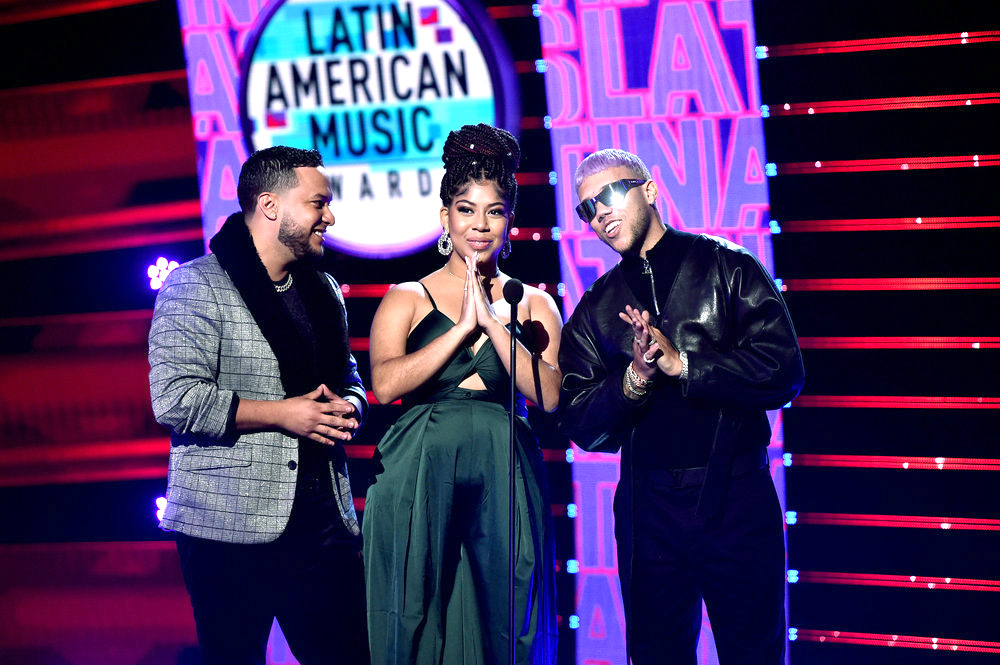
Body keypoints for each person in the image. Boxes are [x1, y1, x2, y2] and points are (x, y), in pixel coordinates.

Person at [558, 149, 805, 664]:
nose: (599, 213)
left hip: (734, 497)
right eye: (586, 209)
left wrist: (686, 366)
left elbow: (784, 371)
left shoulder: (729, 267)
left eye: (608, 195)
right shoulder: (596, 307)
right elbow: (581, 422)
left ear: (648, 189)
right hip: (646, 511)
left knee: (753, 652)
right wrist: (635, 378)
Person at [148, 146, 370, 665]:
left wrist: (350, 406)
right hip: (225, 528)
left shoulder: (323, 289)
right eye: (318, 203)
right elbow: (175, 399)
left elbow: (348, 376)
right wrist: (283, 413)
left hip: (320, 522)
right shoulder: (195, 284)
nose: (330, 217)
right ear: (270, 206)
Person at [362, 124, 560, 664]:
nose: (480, 224)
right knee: (414, 607)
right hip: (418, 462)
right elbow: (384, 385)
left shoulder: (535, 304)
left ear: (509, 222)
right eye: (466, 209)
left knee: (514, 608)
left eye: (494, 211)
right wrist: (458, 328)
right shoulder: (406, 295)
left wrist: (495, 323)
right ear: (445, 217)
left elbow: (549, 396)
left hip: (506, 462)